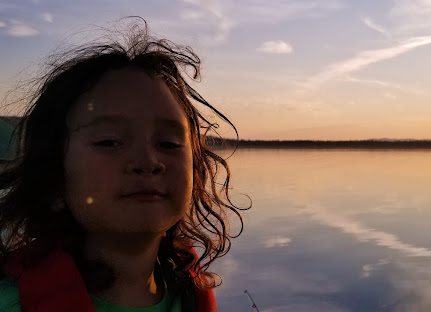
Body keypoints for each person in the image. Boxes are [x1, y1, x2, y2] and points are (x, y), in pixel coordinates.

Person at [0, 17, 246, 311]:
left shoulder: (190, 294)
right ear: (54, 181)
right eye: (109, 142)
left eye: (168, 144)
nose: (148, 162)